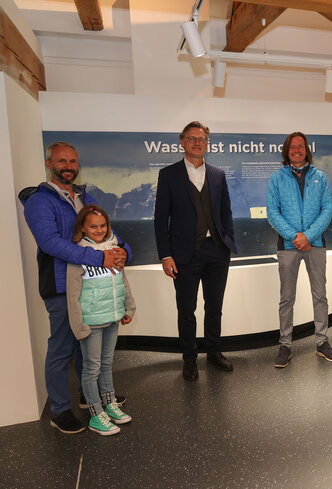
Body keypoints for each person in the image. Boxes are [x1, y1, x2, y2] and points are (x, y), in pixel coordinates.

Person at [18, 142, 130, 434]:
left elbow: (109, 234)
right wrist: (99, 257)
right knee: (62, 347)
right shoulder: (39, 201)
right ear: (49, 163)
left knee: (88, 349)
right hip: (59, 285)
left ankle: (88, 396)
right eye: (62, 161)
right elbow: (51, 244)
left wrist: (123, 252)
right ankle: (59, 409)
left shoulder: (85, 196)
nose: (68, 166)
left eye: (72, 161)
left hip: (92, 287)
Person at [154, 121, 238, 381]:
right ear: (182, 142)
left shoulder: (217, 174)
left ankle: (213, 352)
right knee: (186, 310)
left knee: (215, 308)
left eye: (201, 139)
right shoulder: (168, 175)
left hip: (216, 253)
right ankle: (189, 359)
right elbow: (160, 219)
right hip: (184, 256)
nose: (197, 143)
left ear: (207, 143)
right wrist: (165, 255)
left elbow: (225, 212)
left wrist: (228, 242)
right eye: (191, 139)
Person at [266, 131, 332, 368]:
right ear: (287, 151)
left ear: (307, 150)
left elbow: (327, 210)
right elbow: (272, 213)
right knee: (286, 298)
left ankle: (322, 342)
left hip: (315, 244)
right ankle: (285, 345)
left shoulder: (320, 177)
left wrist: (307, 236)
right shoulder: (277, 179)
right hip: (288, 246)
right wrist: (294, 237)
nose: (297, 150)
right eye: (292, 147)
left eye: (301, 146)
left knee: (320, 295)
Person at [66, 204, 135, 436]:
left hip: (112, 317)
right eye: (93, 226)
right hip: (91, 322)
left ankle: (109, 404)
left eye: (102, 225)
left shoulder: (115, 249)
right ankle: (96, 414)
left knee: (106, 364)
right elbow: (72, 294)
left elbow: (122, 281)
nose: (98, 230)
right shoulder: (78, 253)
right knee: (91, 368)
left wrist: (129, 307)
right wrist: (78, 325)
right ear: (83, 228)